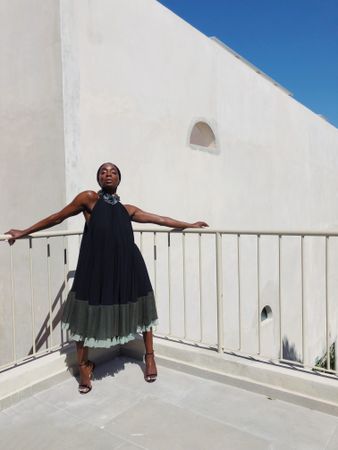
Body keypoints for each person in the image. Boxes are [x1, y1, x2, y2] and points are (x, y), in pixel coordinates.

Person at [5, 162, 208, 394]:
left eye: (113, 172)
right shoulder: (89, 199)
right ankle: (84, 367)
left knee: (142, 309)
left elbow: (158, 219)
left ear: (119, 179)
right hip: (96, 268)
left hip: (129, 265)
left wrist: (189, 224)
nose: (108, 174)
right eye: (103, 172)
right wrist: (24, 232)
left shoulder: (127, 209)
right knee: (85, 315)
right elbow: (58, 217)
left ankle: (149, 357)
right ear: (98, 179)